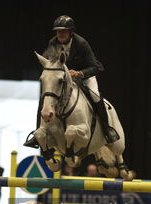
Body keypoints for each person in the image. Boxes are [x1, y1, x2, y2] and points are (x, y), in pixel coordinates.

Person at [24, 15, 120, 149]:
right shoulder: (53, 42)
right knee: (45, 98)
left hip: (84, 76)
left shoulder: (81, 44)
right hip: (63, 78)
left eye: (63, 31)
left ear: (71, 32)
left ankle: (107, 129)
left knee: (95, 96)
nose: (60, 34)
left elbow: (97, 67)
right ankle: (37, 133)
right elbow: (50, 63)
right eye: (58, 31)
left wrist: (80, 73)